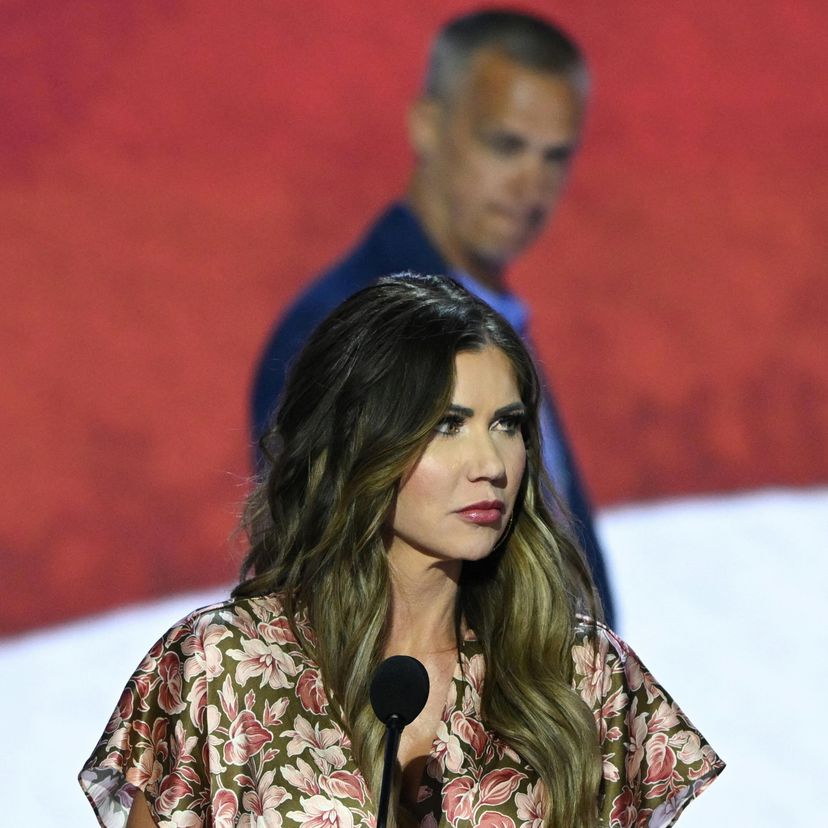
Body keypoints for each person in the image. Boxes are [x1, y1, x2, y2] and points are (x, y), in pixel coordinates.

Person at [80, 275, 723, 828]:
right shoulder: (223, 668)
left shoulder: (582, 673)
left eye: (507, 424)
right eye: (447, 425)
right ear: (358, 441)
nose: (491, 463)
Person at [251, 9, 617, 625]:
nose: (531, 183)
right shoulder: (341, 324)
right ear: (427, 125)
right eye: (505, 145)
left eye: (555, 156)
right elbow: (317, 578)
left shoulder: (490, 317)